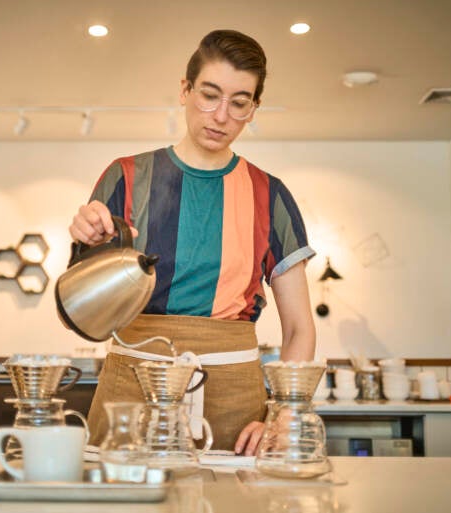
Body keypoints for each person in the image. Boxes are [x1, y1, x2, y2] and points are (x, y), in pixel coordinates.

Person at [68, 30, 316, 456]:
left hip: (235, 398)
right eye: (209, 95)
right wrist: (85, 244)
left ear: (253, 108)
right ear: (185, 90)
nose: (221, 116)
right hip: (131, 387)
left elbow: (299, 328)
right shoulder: (125, 178)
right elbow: (86, 313)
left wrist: (282, 412)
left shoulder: (271, 195)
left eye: (239, 103)